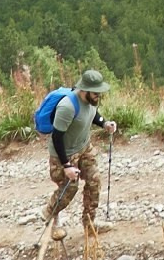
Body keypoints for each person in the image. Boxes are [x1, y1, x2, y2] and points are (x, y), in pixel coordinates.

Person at [43, 67, 118, 238]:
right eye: (96, 93)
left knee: (94, 181)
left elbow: (92, 113)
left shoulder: (91, 100)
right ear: (85, 90)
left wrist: (104, 123)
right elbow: (57, 137)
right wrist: (66, 165)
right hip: (64, 154)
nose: (99, 96)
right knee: (70, 188)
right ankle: (49, 212)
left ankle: (89, 224)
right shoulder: (67, 107)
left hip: (84, 148)